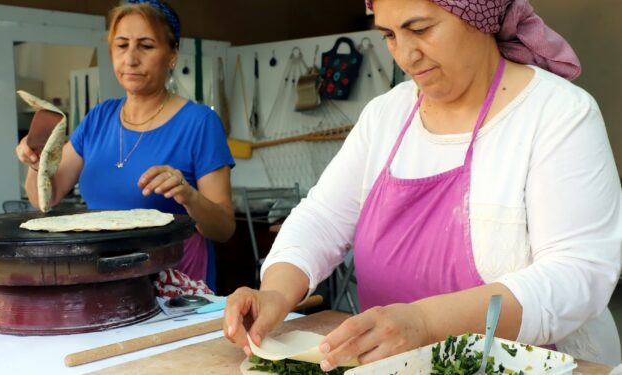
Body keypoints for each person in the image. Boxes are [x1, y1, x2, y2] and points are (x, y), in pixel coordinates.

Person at [223, 0, 622, 369]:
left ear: (478, 16)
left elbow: (577, 273)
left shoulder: (557, 115)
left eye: (421, 29)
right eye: (390, 35)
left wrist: (425, 321)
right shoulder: (386, 115)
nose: (404, 55)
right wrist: (276, 292)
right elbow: (323, 218)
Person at [15, 0, 236, 284]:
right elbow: (47, 196)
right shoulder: (99, 117)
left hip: (176, 286)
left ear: (172, 55)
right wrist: (36, 163)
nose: (131, 58)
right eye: (121, 45)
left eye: (146, 46)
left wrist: (188, 195)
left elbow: (224, 228)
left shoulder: (199, 122)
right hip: (104, 281)